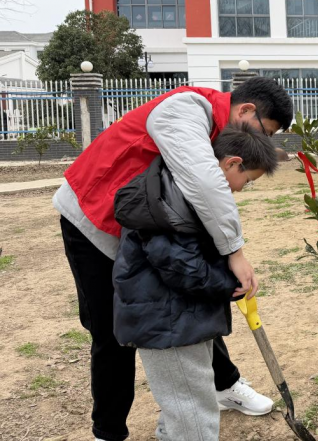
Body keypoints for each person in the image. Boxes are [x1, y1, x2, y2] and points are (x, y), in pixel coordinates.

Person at [53, 77, 293, 441]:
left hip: (146, 227)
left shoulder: (222, 133)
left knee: (187, 309)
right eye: (267, 131)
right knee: (112, 330)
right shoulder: (185, 110)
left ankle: (223, 385)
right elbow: (204, 182)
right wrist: (234, 253)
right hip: (93, 216)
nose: (264, 140)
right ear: (246, 110)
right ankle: (108, 431)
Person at [113, 123, 278, 441]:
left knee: (185, 399)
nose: (241, 189)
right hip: (167, 323)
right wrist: (228, 284)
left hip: (180, 316)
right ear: (231, 163)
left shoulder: (187, 189)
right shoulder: (172, 196)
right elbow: (181, 266)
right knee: (192, 412)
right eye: (247, 180)